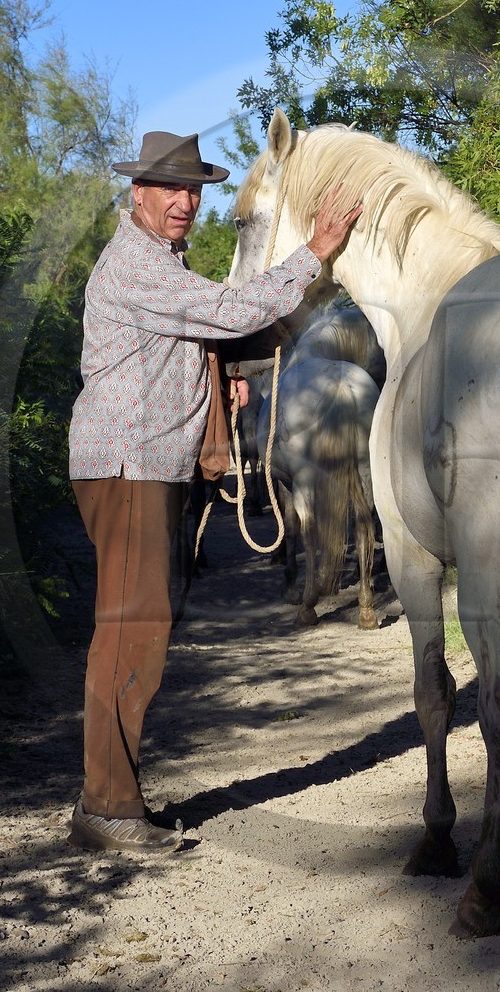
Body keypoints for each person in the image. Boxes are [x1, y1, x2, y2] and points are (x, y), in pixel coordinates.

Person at [66, 130, 361, 854]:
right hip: (131, 467)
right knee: (134, 629)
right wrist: (316, 251)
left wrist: (212, 372)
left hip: (145, 467)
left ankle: (107, 799)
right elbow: (230, 312)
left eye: (193, 190)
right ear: (137, 194)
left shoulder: (158, 264)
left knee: (136, 626)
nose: (184, 202)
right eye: (169, 188)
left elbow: (200, 332)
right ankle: (106, 807)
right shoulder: (136, 265)